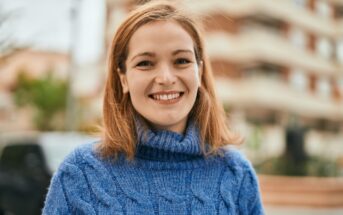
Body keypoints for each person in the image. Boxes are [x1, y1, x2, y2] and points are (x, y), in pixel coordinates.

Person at [43, 1, 264, 214]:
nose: (166, 78)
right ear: (123, 79)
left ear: (199, 71)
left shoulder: (236, 173)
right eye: (145, 63)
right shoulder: (80, 174)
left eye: (181, 61)